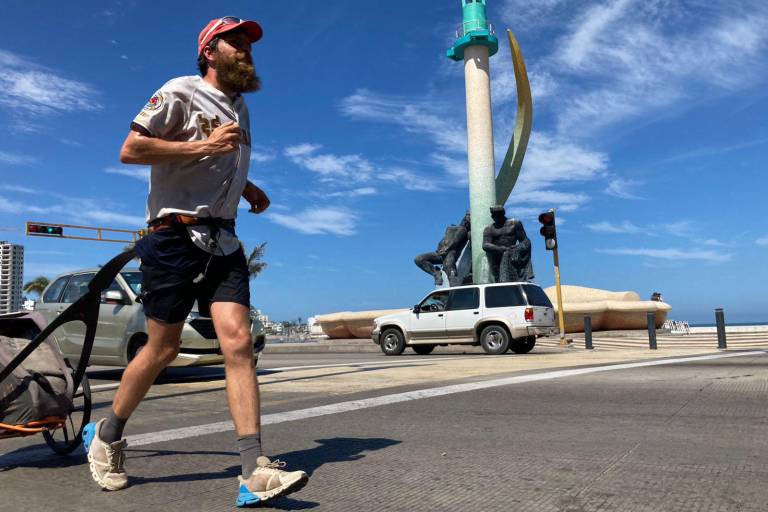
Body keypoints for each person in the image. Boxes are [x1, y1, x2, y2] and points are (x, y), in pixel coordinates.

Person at [82, 16, 308, 507]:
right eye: (235, 42)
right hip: (173, 239)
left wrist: (245, 186)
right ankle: (106, 434)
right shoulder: (180, 90)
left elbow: (216, 163)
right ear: (209, 51)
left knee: (239, 343)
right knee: (162, 349)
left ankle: (252, 470)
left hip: (223, 239)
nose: (246, 49)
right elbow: (131, 149)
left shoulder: (241, 107)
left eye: (249, 43)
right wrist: (204, 145)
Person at [414, 212, 471, 286]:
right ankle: (436, 273)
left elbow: (455, 241)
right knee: (418, 259)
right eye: (466, 216)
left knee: (449, 265)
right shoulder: (452, 228)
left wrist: (446, 249)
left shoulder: (463, 230)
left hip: (450, 252)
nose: (466, 218)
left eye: (469, 216)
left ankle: (453, 279)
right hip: (440, 253)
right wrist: (440, 249)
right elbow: (444, 240)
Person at [482, 205, 534, 282]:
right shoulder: (489, 229)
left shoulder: (515, 223)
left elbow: (525, 241)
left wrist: (517, 249)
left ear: (502, 214)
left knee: (509, 257)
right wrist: (500, 249)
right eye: (493, 215)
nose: (493, 217)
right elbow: (485, 245)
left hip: (512, 254)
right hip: (496, 257)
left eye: (497, 214)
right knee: (499, 280)